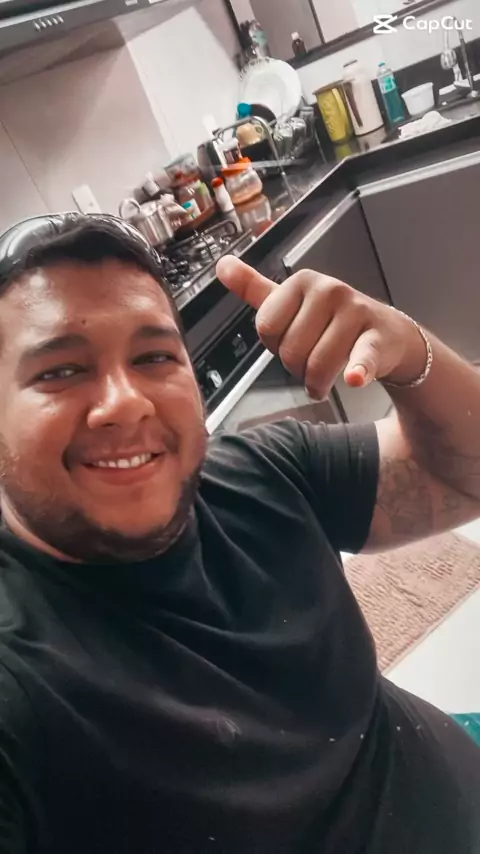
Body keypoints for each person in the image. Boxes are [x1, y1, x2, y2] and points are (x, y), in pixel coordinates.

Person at [0, 212, 478, 854]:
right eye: (60, 371)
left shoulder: (261, 473)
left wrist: (412, 353)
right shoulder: (19, 690)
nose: (126, 401)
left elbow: (464, 476)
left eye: (153, 357)